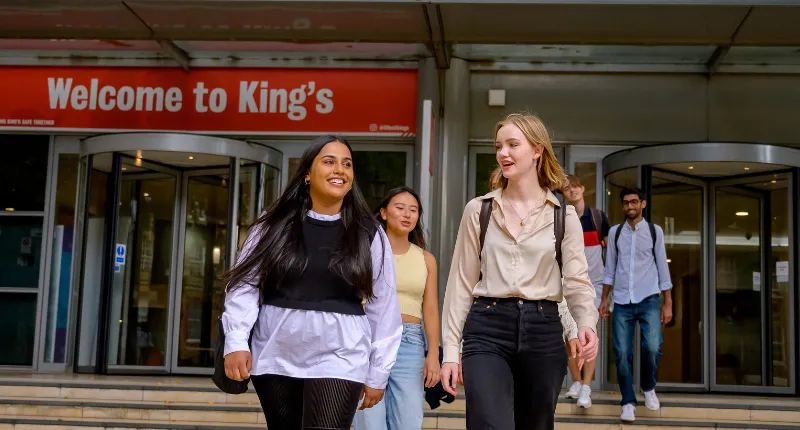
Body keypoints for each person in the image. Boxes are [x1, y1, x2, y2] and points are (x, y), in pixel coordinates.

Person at [221, 135, 403, 430]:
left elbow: (384, 305)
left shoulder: (368, 232)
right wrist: (236, 340)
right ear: (307, 173)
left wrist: (378, 371)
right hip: (277, 351)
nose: (339, 170)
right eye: (329, 161)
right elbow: (246, 284)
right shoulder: (273, 224)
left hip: (342, 353)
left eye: (347, 164)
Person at [440, 113, 599, 430]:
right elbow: (460, 285)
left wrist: (585, 323)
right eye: (499, 146)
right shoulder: (479, 210)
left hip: (544, 329)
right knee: (488, 423)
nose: (503, 153)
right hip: (487, 326)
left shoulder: (563, 216)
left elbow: (577, 281)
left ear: (538, 150)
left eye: (513, 144)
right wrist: (450, 351)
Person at [354, 186, 441, 430]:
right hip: (369, 340)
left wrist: (432, 355)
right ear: (383, 212)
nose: (407, 215)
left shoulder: (426, 259)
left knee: (408, 422)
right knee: (369, 422)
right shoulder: (364, 254)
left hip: (410, 343)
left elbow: (431, 309)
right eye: (400, 208)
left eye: (413, 210)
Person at [600, 187, 672, 423]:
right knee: (621, 354)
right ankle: (628, 401)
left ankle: (648, 386)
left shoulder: (654, 231)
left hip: (649, 298)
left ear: (643, 204)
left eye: (634, 202)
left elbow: (663, 267)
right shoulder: (615, 233)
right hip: (621, 300)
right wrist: (604, 300)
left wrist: (668, 303)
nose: (630, 207)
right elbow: (609, 269)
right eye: (626, 203)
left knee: (652, 347)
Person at [560, 175, 610, 408]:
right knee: (568, 335)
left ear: (582, 188)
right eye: (566, 188)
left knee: (587, 334)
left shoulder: (598, 217)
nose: (571, 191)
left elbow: (610, 255)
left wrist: (608, 293)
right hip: (567, 284)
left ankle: (587, 387)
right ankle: (577, 382)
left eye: (574, 186)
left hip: (594, 285)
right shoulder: (560, 218)